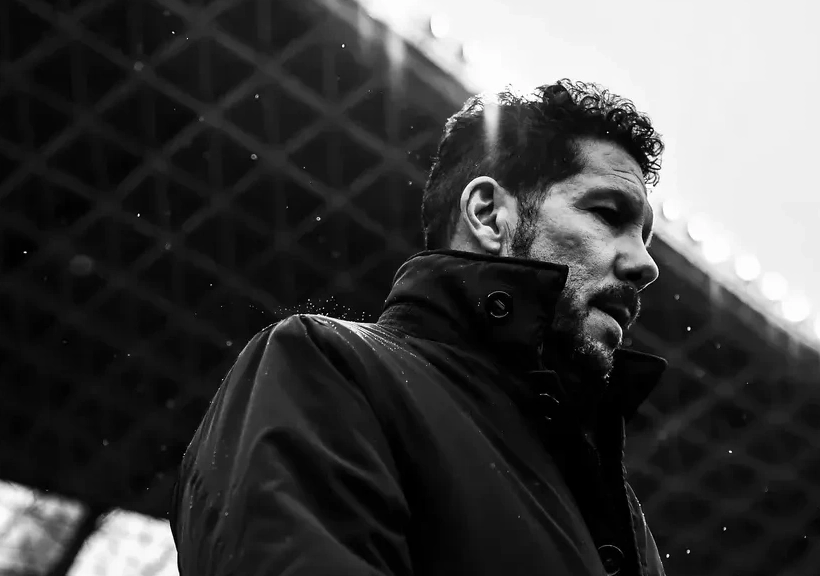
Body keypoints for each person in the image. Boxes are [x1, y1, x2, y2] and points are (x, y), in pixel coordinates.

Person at [170, 79, 668, 576]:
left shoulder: (620, 513)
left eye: (645, 238)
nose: (645, 265)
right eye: (607, 214)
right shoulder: (329, 367)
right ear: (488, 215)